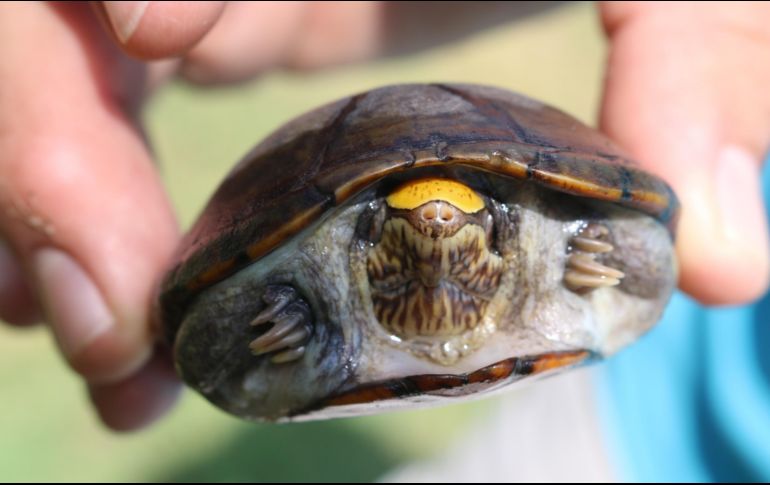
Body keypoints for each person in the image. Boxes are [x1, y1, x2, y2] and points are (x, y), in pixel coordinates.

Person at [0, 1, 768, 479]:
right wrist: (292, 308)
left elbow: (644, 253)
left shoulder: (558, 245)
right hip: (634, 414)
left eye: (469, 223)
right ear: (364, 240)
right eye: (401, 224)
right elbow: (203, 336)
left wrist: (584, 254)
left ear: (508, 236)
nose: (435, 229)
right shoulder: (319, 264)